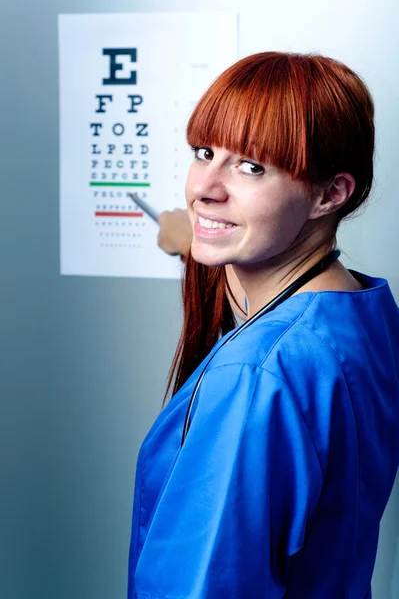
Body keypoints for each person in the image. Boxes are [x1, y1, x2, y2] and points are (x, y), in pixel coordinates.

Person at [127, 51, 399, 598]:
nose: (206, 186)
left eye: (252, 167)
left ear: (330, 194)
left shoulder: (256, 376)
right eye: (205, 153)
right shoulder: (362, 311)